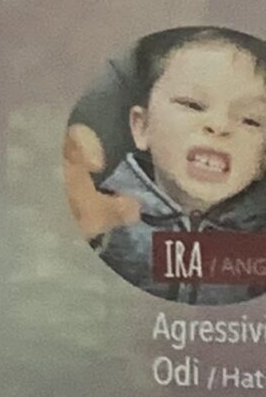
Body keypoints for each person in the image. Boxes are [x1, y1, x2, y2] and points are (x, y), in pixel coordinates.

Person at [66, 27, 266, 303]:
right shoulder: (100, 218)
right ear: (142, 127)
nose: (219, 125)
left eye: (251, 120)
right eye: (192, 104)